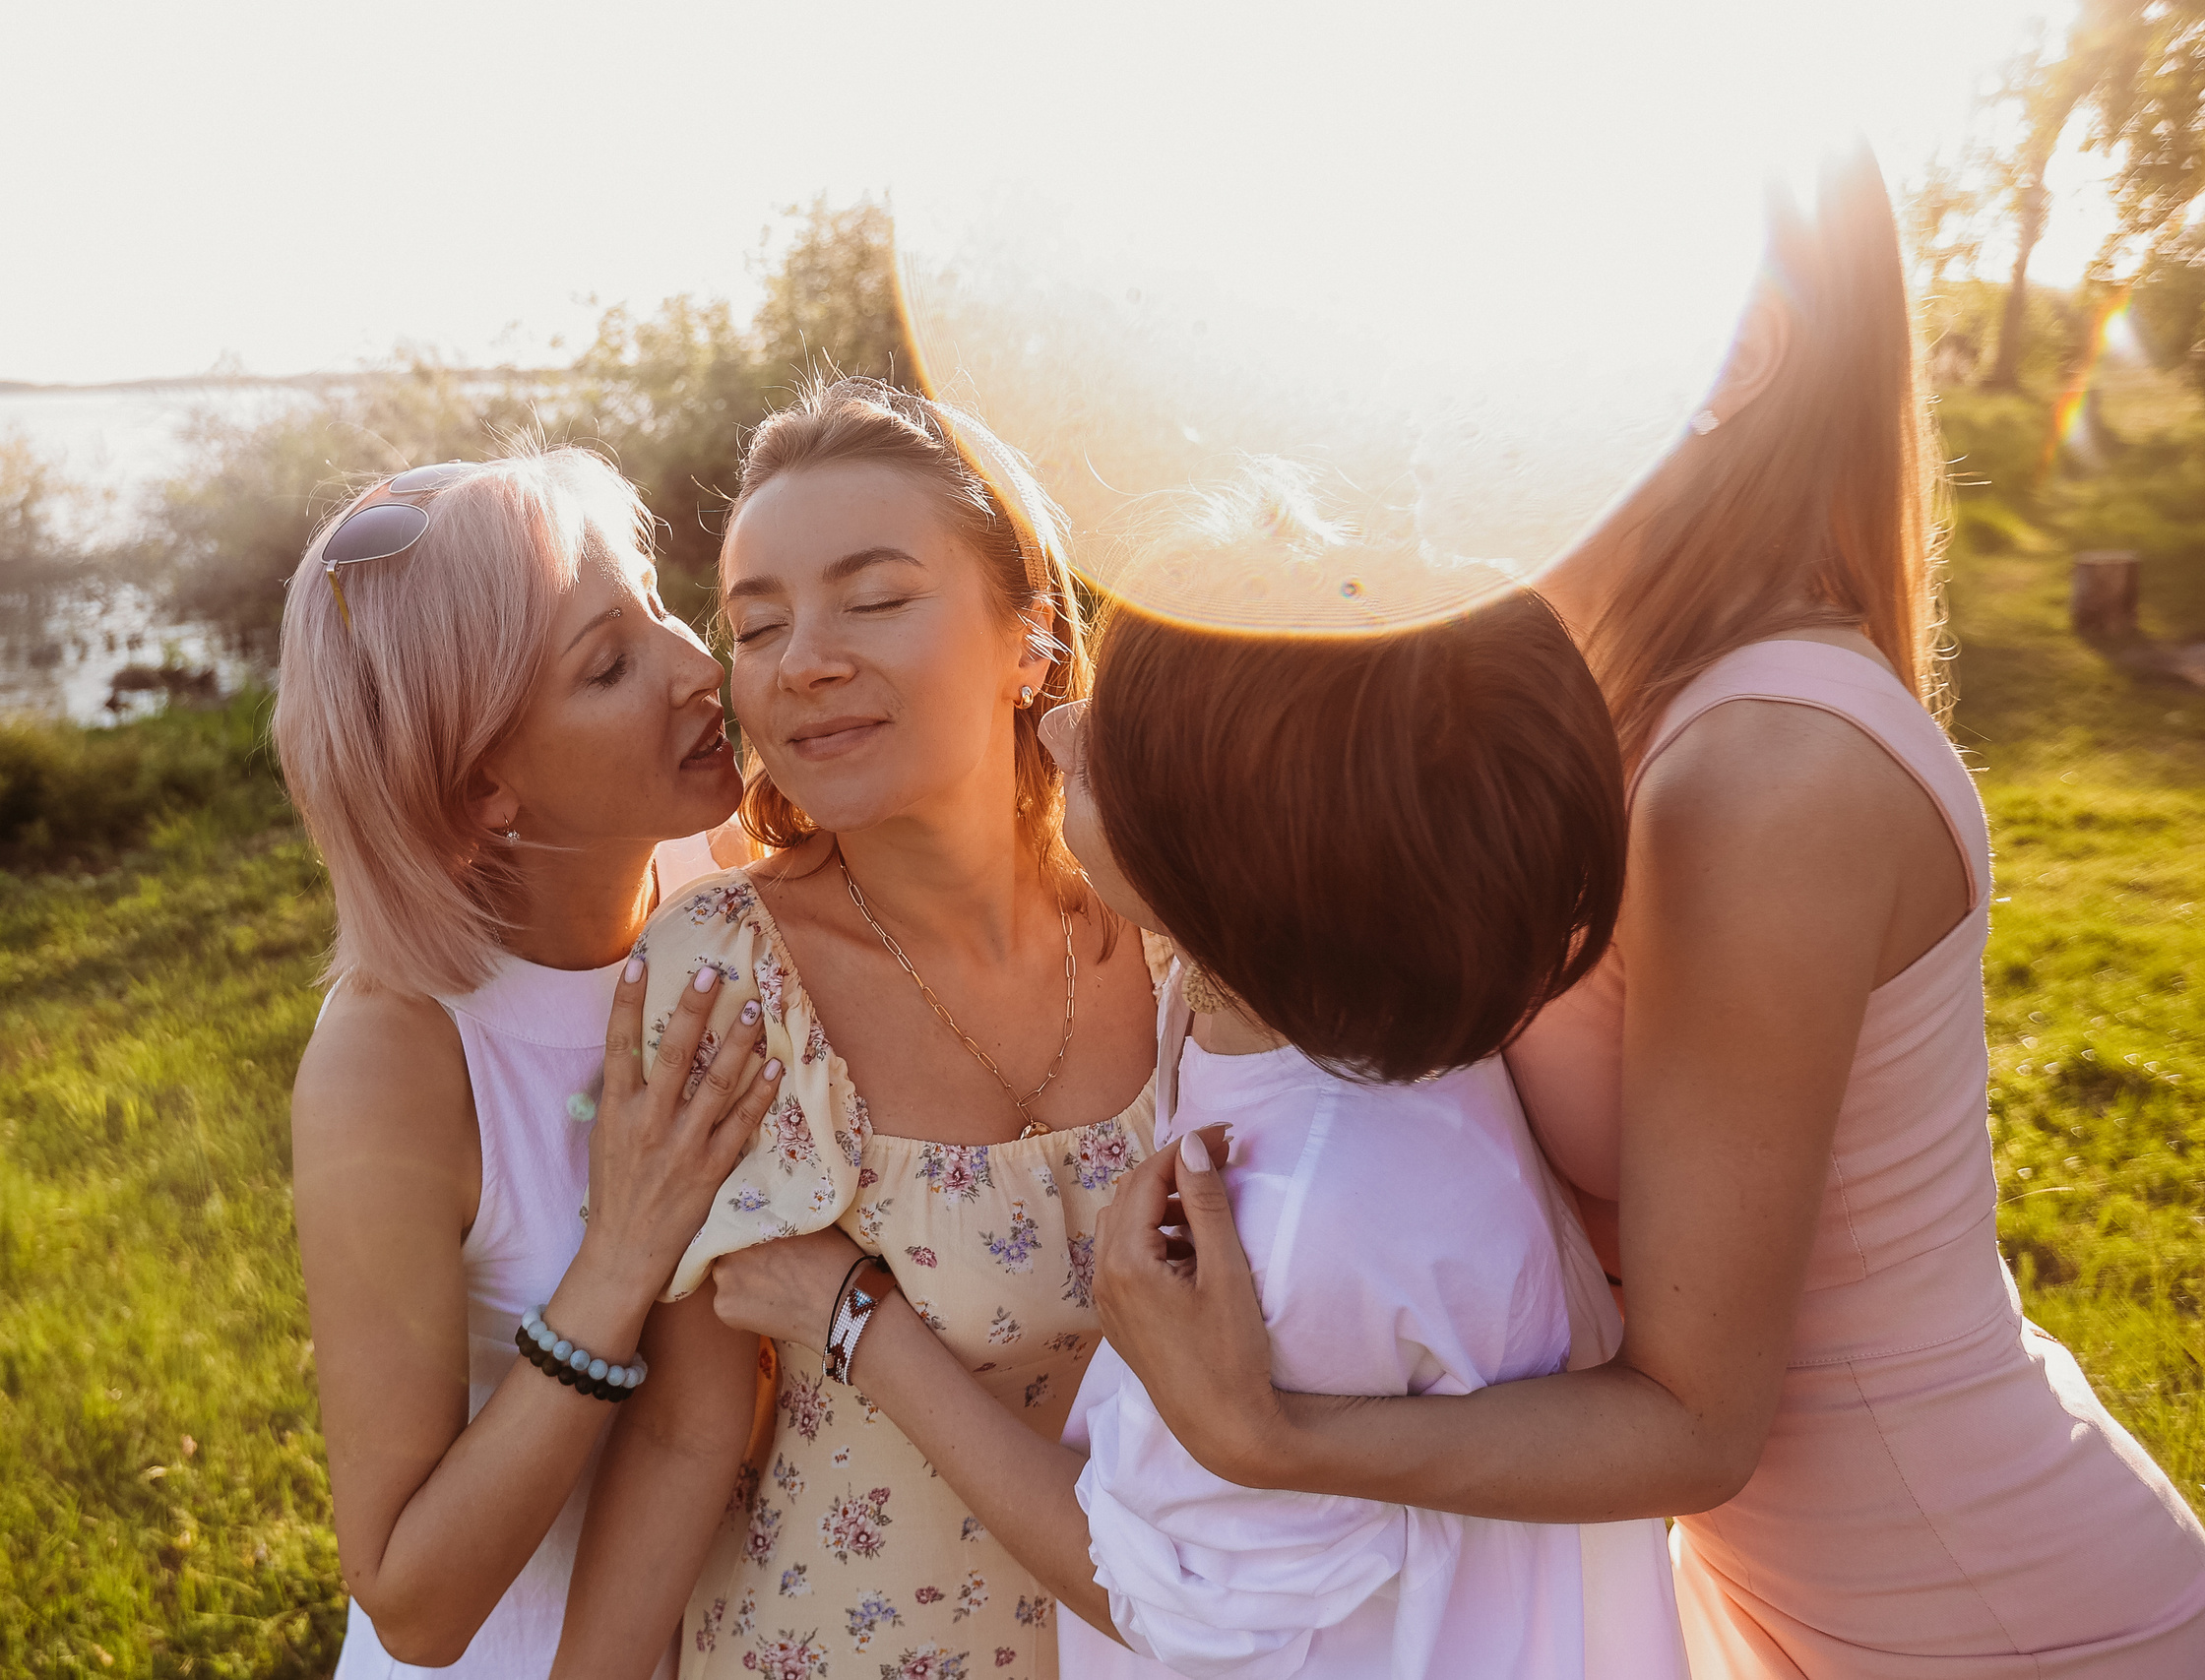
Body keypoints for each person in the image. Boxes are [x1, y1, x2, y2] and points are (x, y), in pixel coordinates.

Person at [1087, 146, 2205, 1676]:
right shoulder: (1608, 711)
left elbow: (1697, 1418)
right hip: (1779, 1600)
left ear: (1733, 353)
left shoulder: (1765, 768)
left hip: (1976, 1612)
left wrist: (1271, 1434)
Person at [687, 464, 1697, 1679]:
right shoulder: (1296, 1011)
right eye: (752, 624)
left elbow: (1168, 1599)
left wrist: (855, 1321)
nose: (1058, 727)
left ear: (1230, 845)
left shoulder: (1292, 1222)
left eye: (1111, 731)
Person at [549, 379, 1163, 1680]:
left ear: (1032, 644)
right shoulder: (727, 976)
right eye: (756, 623)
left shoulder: (1182, 939)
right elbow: (687, 1429)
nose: (802, 660)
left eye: (875, 598)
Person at [276, 449, 785, 1676]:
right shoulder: (394, 1062)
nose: (692, 665)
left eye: (659, 605)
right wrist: (617, 1263)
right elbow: (411, 1602)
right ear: (481, 786)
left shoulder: (721, 887)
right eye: (607, 665)